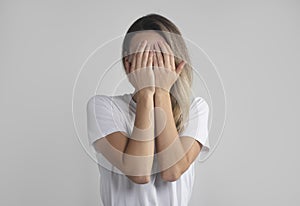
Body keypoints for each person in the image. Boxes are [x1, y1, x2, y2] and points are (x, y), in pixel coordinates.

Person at [86, 13, 210, 206]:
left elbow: (172, 171)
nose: (151, 63)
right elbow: (139, 172)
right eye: (142, 55)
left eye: (160, 55)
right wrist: (145, 94)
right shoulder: (102, 107)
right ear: (128, 65)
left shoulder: (195, 110)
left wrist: (161, 93)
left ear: (177, 61)